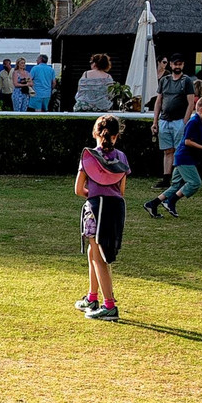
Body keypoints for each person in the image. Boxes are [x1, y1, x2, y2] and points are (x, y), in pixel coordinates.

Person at [74, 114, 129, 322]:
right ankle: (92, 297)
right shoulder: (122, 158)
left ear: (95, 133)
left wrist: (94, 194)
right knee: (94, 253)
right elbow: (121, 189)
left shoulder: (88, 156)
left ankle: (109, 306)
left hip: (96, 208)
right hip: (116, 208)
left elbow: (78, 189)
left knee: (99, 258)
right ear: (116, 136)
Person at [144, 97, 202, 219]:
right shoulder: (193, 122)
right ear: (201, 110)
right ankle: (171, 201)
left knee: (175, 186)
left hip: (188, 158)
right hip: (184, 158)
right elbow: (187, 142)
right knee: (194, 183)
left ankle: (152, 204)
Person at [151, 53, 195, 190]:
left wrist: (185, 121)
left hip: (178, 121)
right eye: (175, 64)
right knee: (167, 151)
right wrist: (155, 121)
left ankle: (179, 178)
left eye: (180, 64)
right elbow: (158, 101)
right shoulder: (164, 80)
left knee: (179, 151)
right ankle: (166, 178)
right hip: (164, 120)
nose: (177, 66)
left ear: (183, 65)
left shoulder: (186, 81)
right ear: (171, 64)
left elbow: (191, 102)